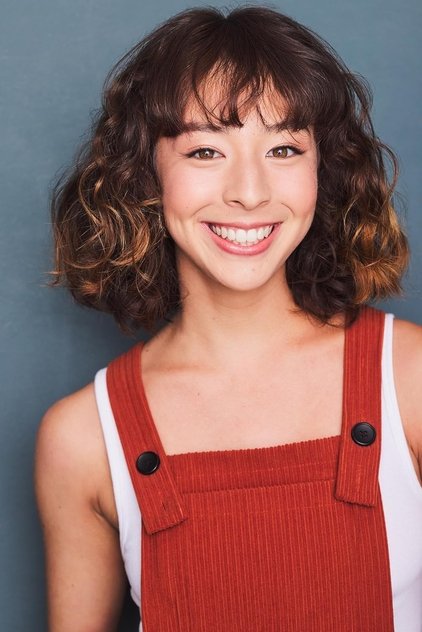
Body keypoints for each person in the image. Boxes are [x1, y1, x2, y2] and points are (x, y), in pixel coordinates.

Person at [35, 6, 422, 631]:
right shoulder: (81, 439)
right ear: (146, 174)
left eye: (284, 148)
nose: (249, 191)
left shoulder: (410, 380)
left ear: (322, 170)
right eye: (206, 150)